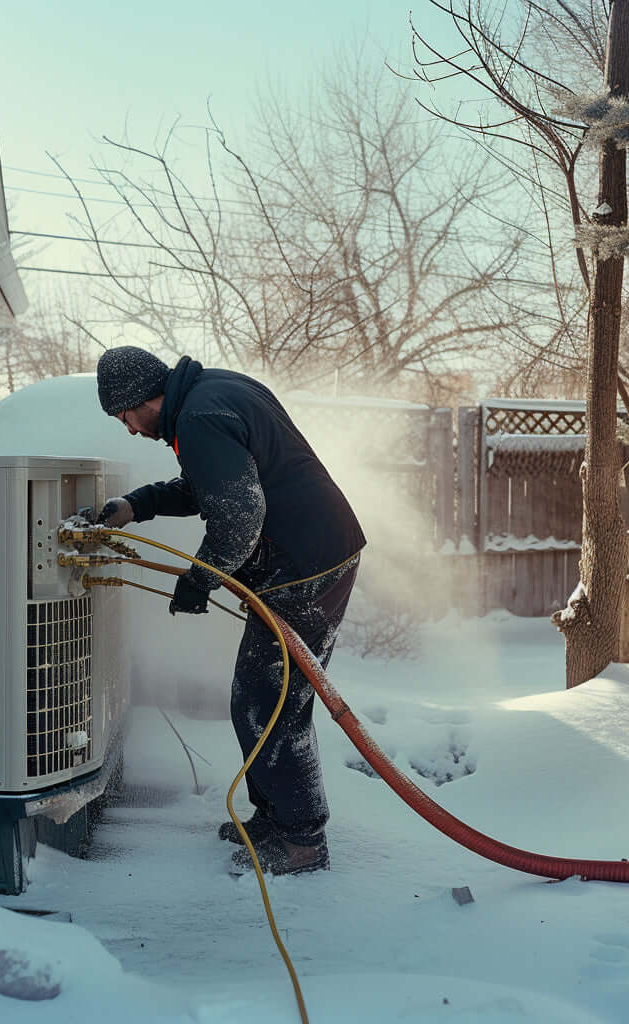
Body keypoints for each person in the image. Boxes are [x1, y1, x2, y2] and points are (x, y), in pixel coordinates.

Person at [95, 346, 365, 876]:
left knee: (271, 703)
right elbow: (213, 487)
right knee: (259, 697)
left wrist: (200, 579)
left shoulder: (199, 416)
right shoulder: (211, 393)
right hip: (311, 553)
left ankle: (301, 839)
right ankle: (275, 818)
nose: (128, 429)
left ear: (138, 399)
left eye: (123, 416)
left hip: (305, 567)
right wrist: (138, 505)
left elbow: (239, 518)